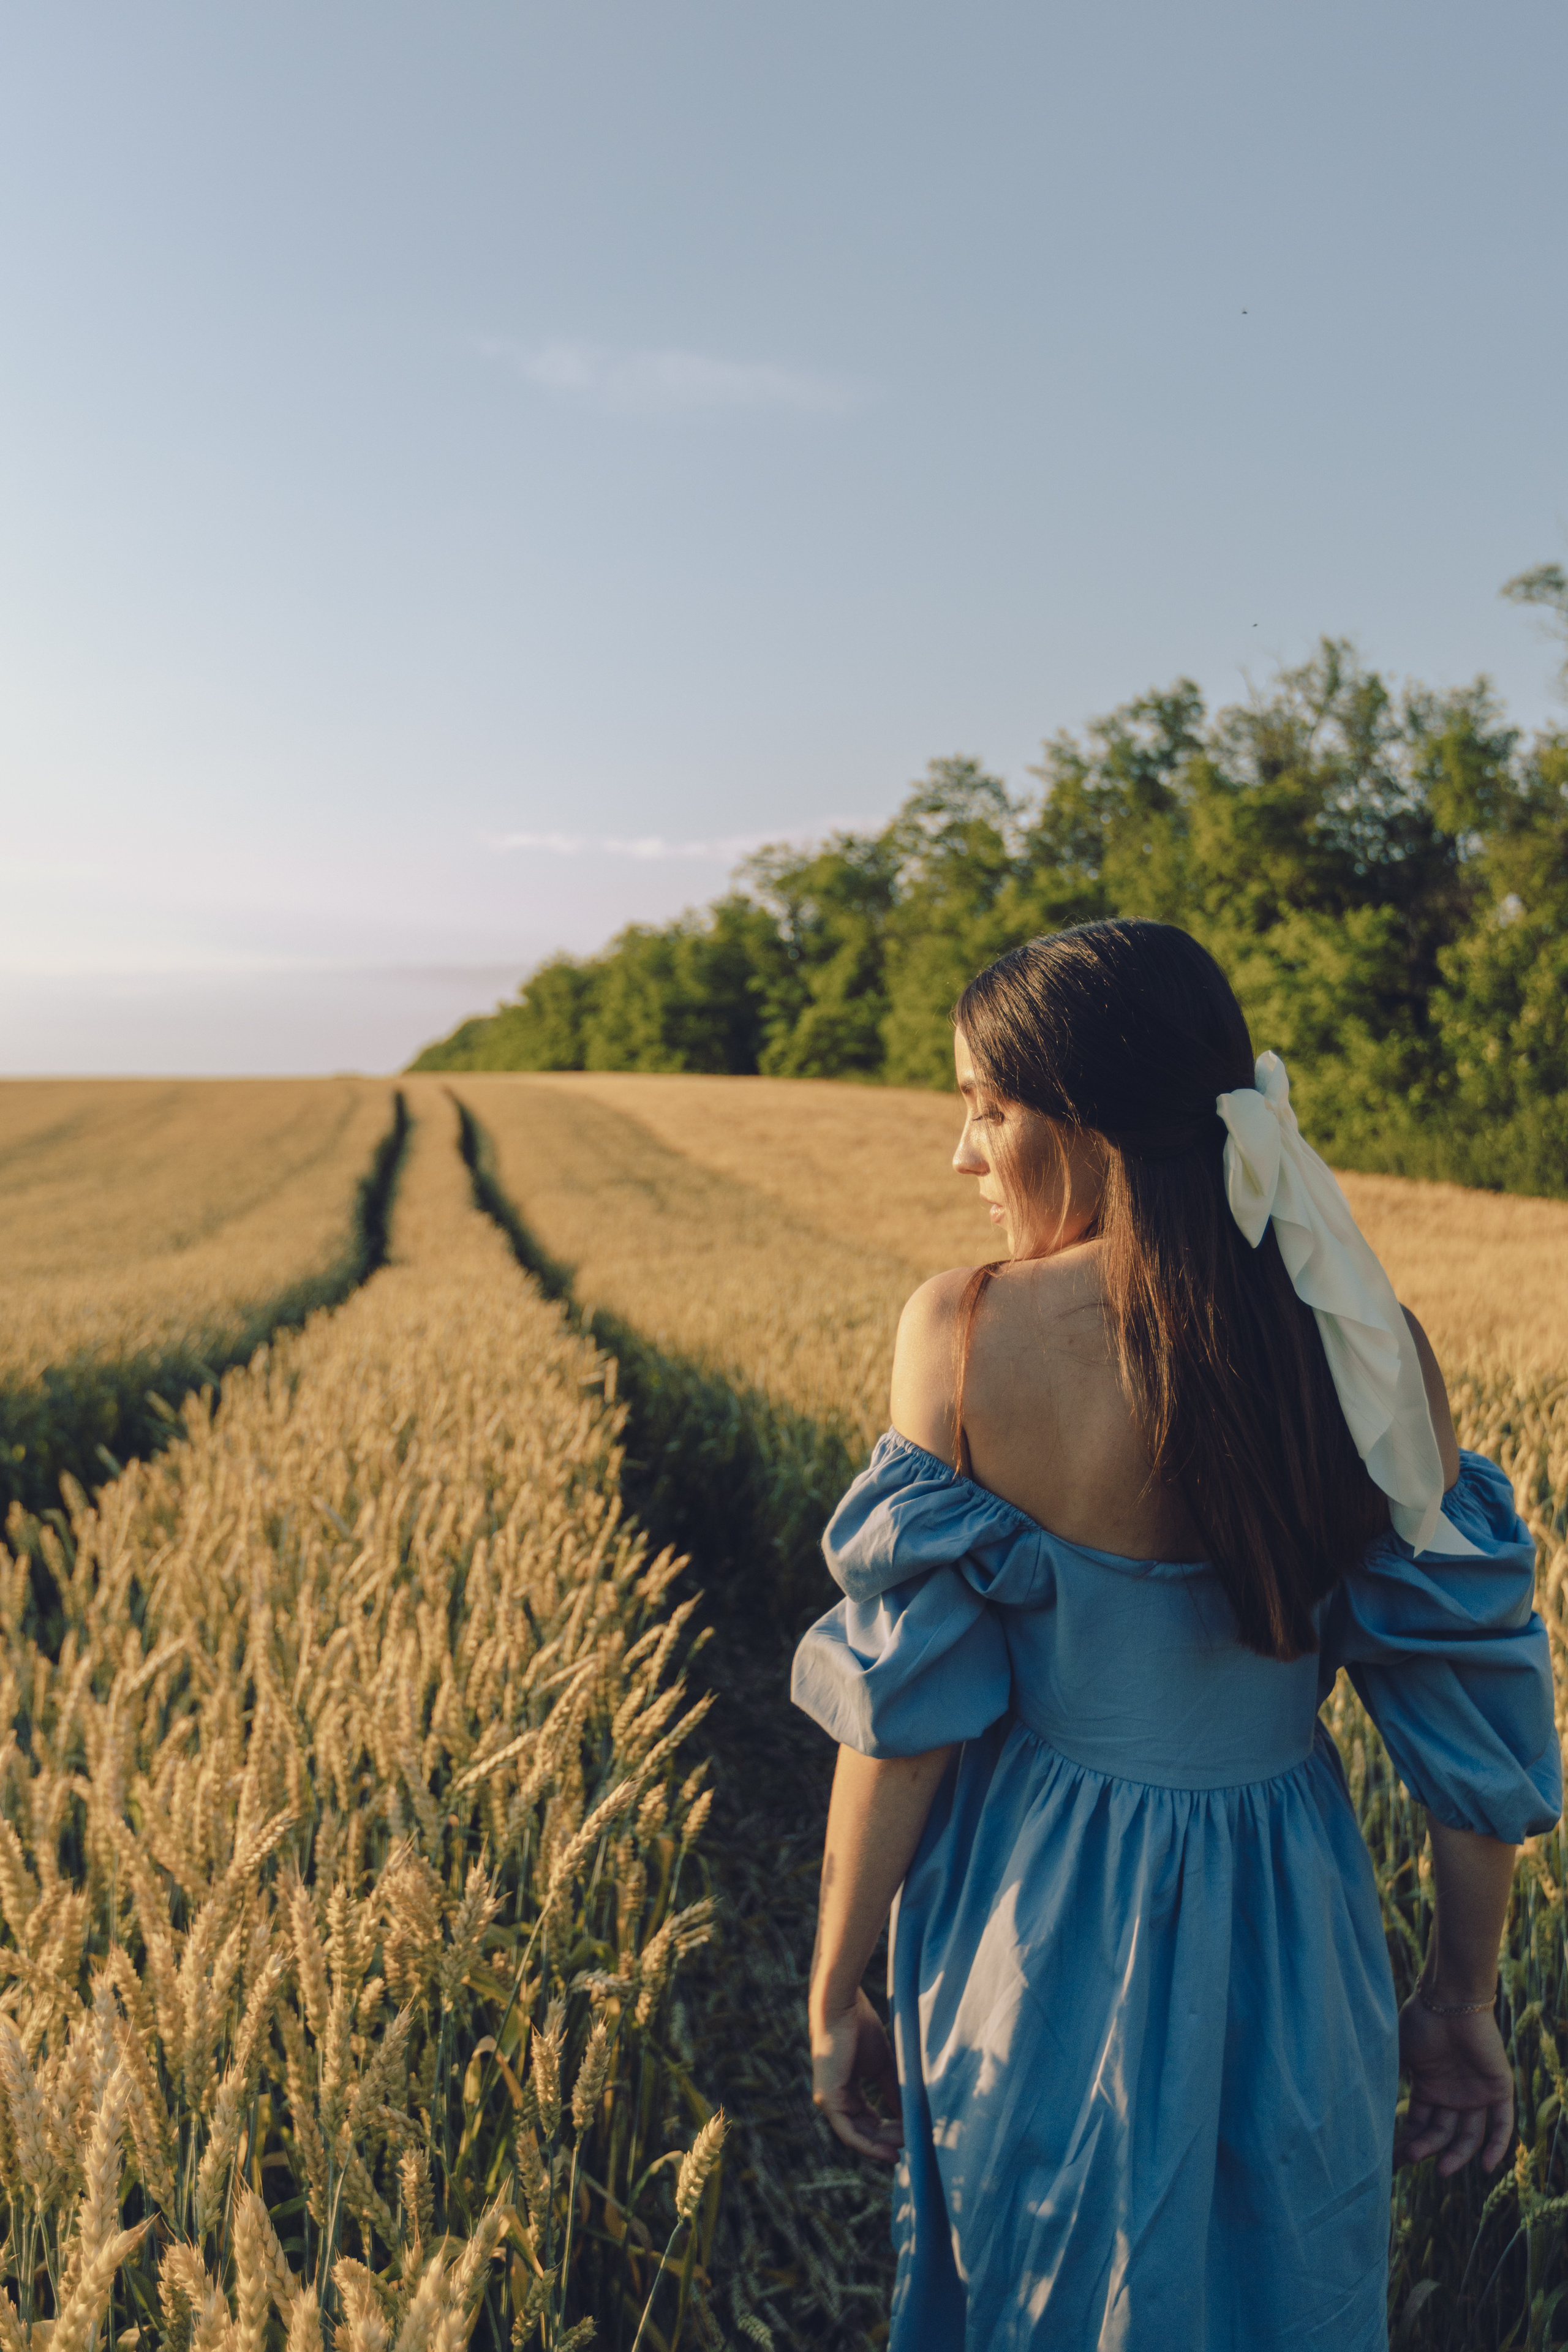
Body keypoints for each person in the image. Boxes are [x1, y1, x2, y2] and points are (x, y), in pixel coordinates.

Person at [790, 919, 1561, 2351]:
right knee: (1282, 2291)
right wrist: (1458, 1998)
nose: (964, 1154)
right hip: (1289, 1924)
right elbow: (1472, 1728)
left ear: (1079, 1120)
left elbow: (902, 1722)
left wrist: (836, 1986)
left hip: (1037, 1920)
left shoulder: (962, 1334)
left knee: (1048, 2292)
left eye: (985, 1107)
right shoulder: (1359, 1339)